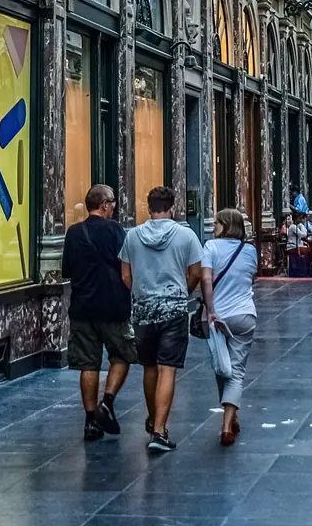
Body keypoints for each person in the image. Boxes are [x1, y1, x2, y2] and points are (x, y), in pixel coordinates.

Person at [119, 185, 211, 453]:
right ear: (173, 207)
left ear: (149, 207)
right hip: (173, 307)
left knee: (149, 367)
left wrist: (141, 291)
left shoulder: (132, 236)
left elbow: (125, 275)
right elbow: (196, 270)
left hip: (143, 308)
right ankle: (159, 430)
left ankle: (152, 418)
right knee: (167, 368)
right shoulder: (185, 235)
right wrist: (184, 290)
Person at [61, 184, 133, 441]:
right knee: (123, 355)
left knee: (88, 364)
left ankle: (91, 420)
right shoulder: (114, 230)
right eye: (112, 201)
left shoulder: (73, 232)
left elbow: (67, 270)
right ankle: (107, 402)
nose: (114, 206)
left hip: (82, 306)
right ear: (104, 205)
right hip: (113, 305)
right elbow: (126, 264)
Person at [203, 208, 257, 447]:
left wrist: (211, 308)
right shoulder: (250, 250)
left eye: (217, 223)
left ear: (225, 225)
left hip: (217, 317)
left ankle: (226, 424)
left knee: (221, 367)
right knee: (235, 370)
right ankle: (230, 419)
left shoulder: (210, 247)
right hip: (244, 315)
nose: (214, 226)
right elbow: (250, 277)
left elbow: (206, 279)